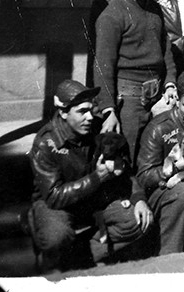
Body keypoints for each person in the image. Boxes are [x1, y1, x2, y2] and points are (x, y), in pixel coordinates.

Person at [28, 80, 152, 271]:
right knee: (56, 237)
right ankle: (40, 232)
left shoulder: (97, 130)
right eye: (81, 112)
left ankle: (79, 256)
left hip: (93, 200)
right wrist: (98, 177)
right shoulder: (46, 142)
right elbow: (54, 196)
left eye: (91, 110)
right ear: (63, 112)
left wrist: (139, 198)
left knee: (137, 222)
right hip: (55, 205)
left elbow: (124, 170)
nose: (89, 117)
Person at [93, 0, 178, 163]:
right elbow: (103, 66)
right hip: (128, 103)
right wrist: (108, 110)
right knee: (126, 160)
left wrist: (170, 84)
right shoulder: (112, 15)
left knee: (156, 158)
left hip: (158, 99)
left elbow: (165, 50)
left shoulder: (155, 9)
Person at [137, 71, 184, 255]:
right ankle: (168, 257)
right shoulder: (159, 127)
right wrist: (173, 170)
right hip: (162, 194)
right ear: (177, 100)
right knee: (182, 192)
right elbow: (143, 177)